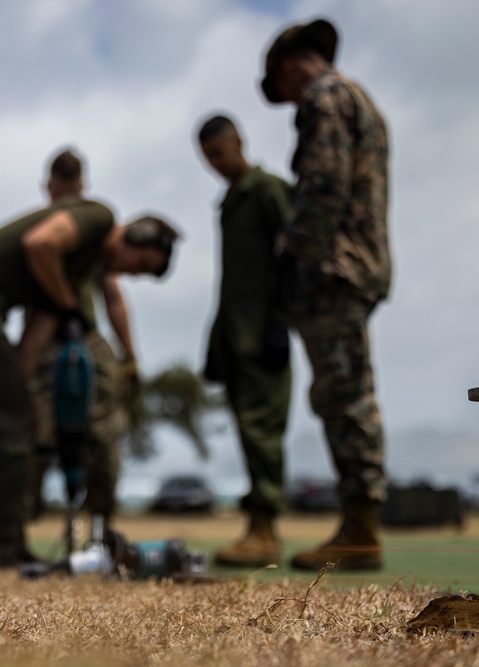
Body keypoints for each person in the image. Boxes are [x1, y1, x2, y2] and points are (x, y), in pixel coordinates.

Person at [0, 190, 179, 569]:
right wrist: (69, 308)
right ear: (135, 235)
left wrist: (21, 394)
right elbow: (39, 242)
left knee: (19, 421)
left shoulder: (70, 275)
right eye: (138, 264)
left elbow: (27, 352)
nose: (128, 274)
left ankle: (4, 543)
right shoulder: (99, 217)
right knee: (13, 424)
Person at [259, 18, 391, 571]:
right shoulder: (358, 97)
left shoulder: (325, 97)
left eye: (281, 89)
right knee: (346, 391)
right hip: (355, 265)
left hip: (333, 271)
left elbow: (323, 184)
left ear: (291, 65)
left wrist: (290, 258)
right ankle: (357, 522)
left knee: (344, 397)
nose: (288, 102)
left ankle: (360, 530)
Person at [196, 115, 293, 567]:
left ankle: (266, 530)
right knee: (246, 429)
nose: (216, 163)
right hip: (235, 336)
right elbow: (230, 281)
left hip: (264, 333)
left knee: (262, 431)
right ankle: (256, 525)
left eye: (220, 151)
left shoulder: (268, 190)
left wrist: (280, 321)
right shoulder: (229, 202)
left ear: (239, 141)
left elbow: (292, 256)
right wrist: (216, 344)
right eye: (208, 158)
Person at [26, 148, 141, 526]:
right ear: (48, 187)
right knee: (31, 432)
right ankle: (20, 524)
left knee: (105, 432)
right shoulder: (37, 231)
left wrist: (130, 355)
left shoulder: (93, 232)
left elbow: (113, 295)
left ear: (83, 187)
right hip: (41, 338)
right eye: (61, 190)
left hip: (86, 340)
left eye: (73, 191)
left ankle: (101, 524)